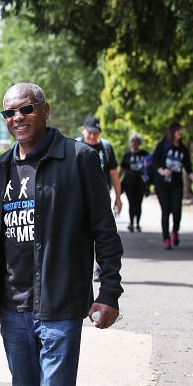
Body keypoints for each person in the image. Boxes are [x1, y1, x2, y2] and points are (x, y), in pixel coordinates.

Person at [0, 82, 123, 386]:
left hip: (62, 303)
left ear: (44, 110)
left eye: (25, 109)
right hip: (13, 305)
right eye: (9, 113)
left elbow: (105, 231)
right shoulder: (2, 167)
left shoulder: (80, 159)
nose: (17, 119)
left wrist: (109, 293)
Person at [78, 116, 122, 281]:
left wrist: (118, 197)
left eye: (96, 133)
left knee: (100, 231)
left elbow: (114, 173)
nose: (92, 136)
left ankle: (98, 266)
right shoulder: (74, 146)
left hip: (101, 197)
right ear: (83, 130)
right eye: (90, 132)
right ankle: (81, 265)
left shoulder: (106, 147)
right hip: (79, 196)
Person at [151, 122, 193, 249]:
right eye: (178, 131)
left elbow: (188, 167)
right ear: (172, 132)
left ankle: (175, 231)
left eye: (181, 131)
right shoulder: (163, 145)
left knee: (177, 210)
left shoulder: (183, 148)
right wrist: (162, 171)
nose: (180, 133)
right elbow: (154, 161)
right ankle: (166, 238)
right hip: (162, 183)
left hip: (176, 183)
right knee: (166, 211)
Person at [119, 133, 150, 232]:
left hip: (141, 183)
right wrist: (117, 182)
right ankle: (131, 223)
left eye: (137, 141)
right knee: (131, 203)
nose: (134, 143)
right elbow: (121, 169)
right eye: (133, 141)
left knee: (139, 203)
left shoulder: (144, 154)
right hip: (129, 183)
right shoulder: (127, 155)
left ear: (139, 143)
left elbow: (149, 169)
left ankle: (138, 223)